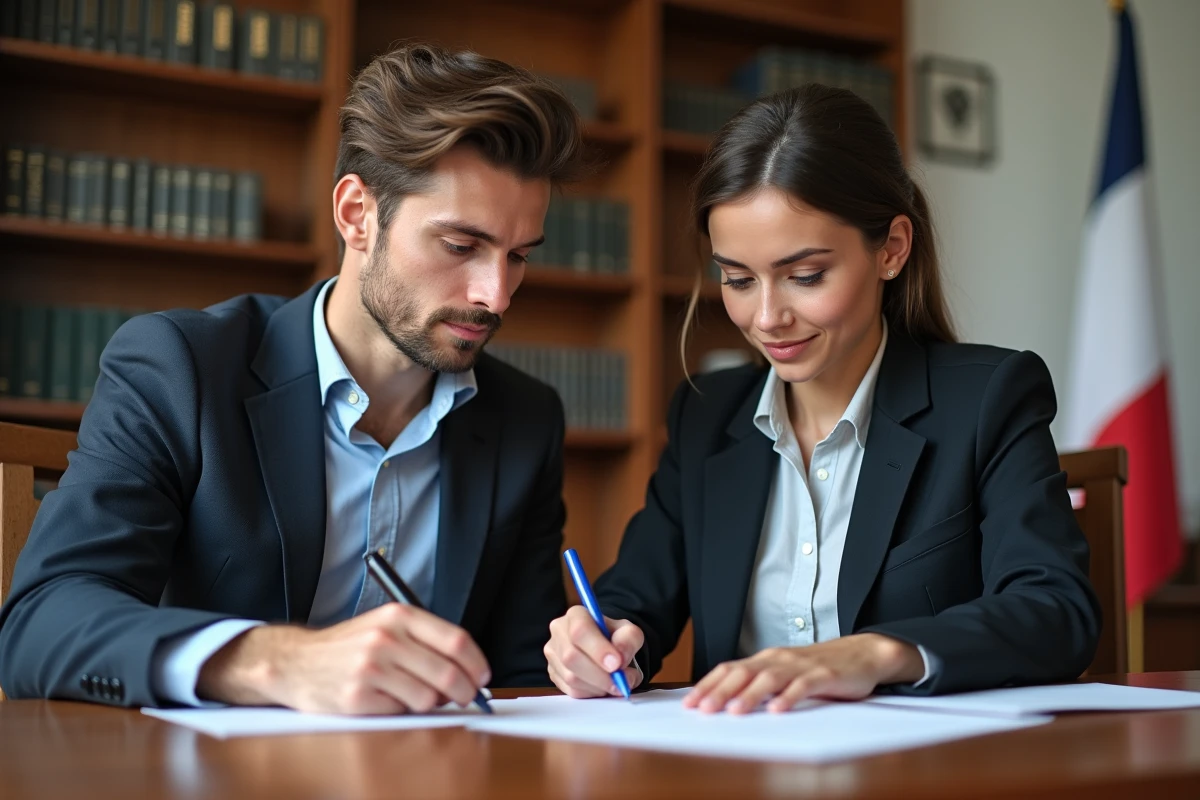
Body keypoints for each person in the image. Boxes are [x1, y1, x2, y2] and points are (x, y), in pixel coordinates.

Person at [0, 44, 585, 713]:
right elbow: (41, 624)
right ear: (357, 215)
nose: (496, 295)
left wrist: (576, 662)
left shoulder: (526, 418)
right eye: (461, 247)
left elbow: (519, 675)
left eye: (518, 257)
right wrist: (275, 661)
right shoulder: (178, 368)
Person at [545, 84, 1101, 713]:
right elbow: (635, 601)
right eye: (736, 278)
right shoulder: (706, 414)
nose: (766, 317)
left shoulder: (988, 399)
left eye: (805, 277)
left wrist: (875, 652)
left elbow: (1056, 611)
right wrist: (602, 643)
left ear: (891, 249)